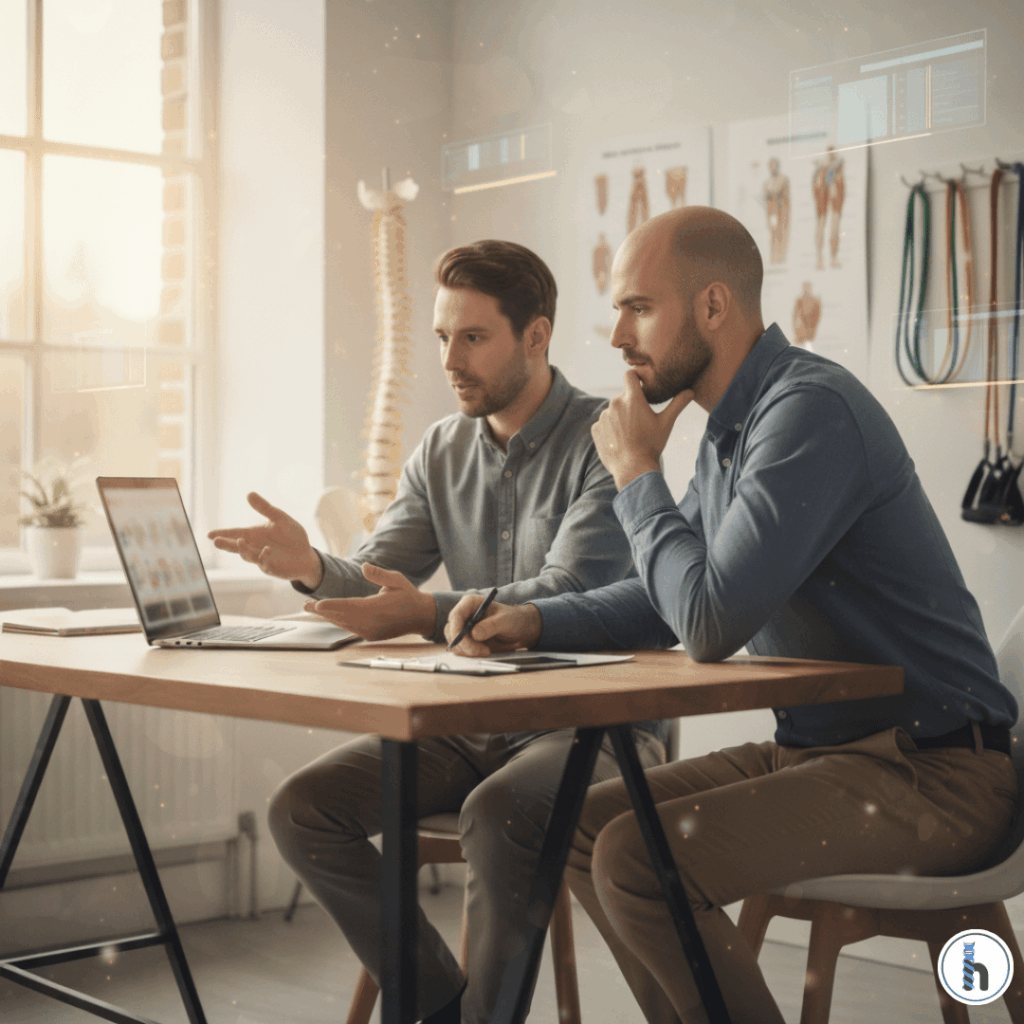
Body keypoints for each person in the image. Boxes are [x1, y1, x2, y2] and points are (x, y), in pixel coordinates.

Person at [445, 209, 1018, 1024]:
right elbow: (665, 597)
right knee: (580, 827)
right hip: (827, 755)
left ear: (713, 306)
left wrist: (637, 470)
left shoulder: (808, 412)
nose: (617, 335)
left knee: (637, 856)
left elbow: (708, 624)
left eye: (638, 307)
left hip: (937, 776)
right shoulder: (734, 431)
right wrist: (532, 621)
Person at [209, 239, 667, 1024]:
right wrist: (312, 567)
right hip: (469, 719)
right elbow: (380, 579)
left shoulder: (609, 437)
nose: (450, 360)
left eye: (473, 337)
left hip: (588, 726)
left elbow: (571, 590)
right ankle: (437, 1001)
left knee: (499, 813)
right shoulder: (442, 448)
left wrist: (428, 612)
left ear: (536, 336)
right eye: (443, 337)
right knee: (300, 811)